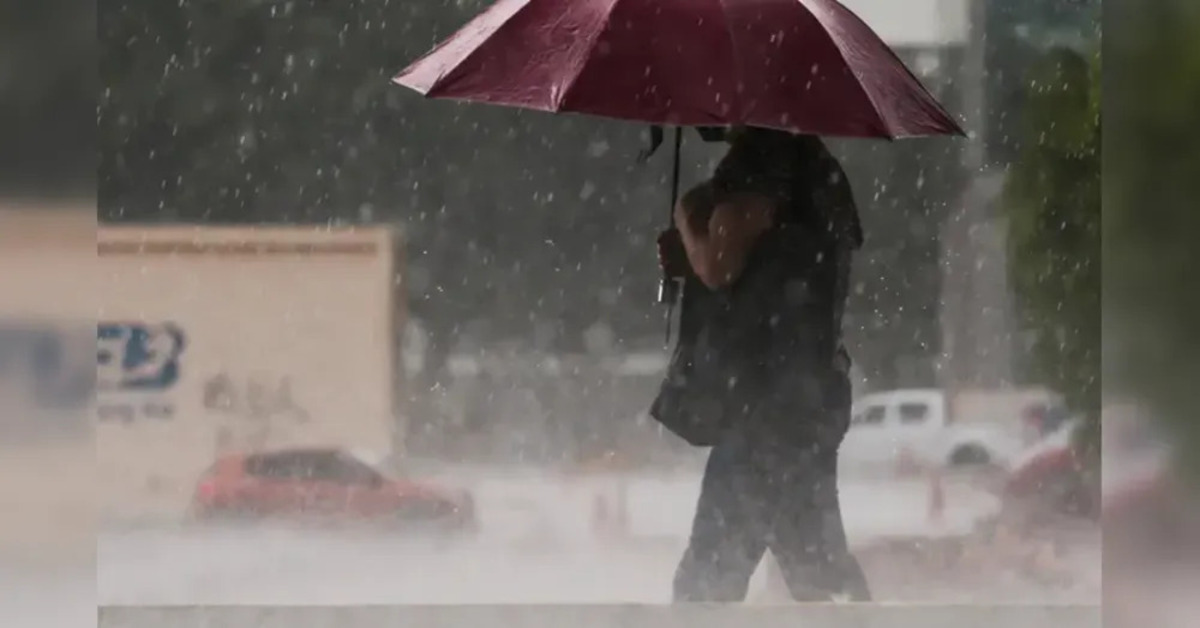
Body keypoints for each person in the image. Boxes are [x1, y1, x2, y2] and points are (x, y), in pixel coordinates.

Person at [652, 126, 871, 602]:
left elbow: (721, 264)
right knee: (819, 573)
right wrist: (692, 253)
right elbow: (768, 269)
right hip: (806, 397)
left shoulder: (763, 160)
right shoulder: (813, 165)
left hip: (763, 406)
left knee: (707, 581)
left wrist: (689, 218)